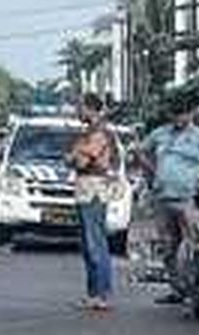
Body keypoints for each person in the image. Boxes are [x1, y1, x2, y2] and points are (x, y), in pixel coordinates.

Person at [139, 95, 199, 304]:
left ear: (191, 114)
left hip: (190, 199)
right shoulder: (160, 134)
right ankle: (177, 289)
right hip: (163, 197)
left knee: (195, 245)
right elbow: (141, 151)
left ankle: (197, 289)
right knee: (168, 246)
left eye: (183, 113)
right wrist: (152, 172)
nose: (179, 117)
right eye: (175, 114)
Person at [70, 93, 118, 311]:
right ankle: (94, 293)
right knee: (89, 244)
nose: (77, 111)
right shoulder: (89, 132)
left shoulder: (99, 132)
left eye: (79, 107)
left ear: (89, 108)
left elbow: (80, 161)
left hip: (93, 190)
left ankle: (101, 294)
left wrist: (76, 154)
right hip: (85, 189)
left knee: (95, 243)